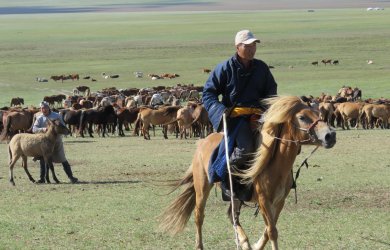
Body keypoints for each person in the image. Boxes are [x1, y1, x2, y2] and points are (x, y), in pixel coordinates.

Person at [202, 29, 277, 201]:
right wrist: (221, 112)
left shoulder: (261, 68)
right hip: (236, 118)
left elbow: (271, 93)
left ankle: (282, 182)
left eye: (254, 45)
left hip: (259, 117)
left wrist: (265, 113)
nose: (252, 49)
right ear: (238, 47)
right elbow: (208, 93)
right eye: (248, 46)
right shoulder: (225, 68)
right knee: (245, 150)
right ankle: (226, 176)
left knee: (280, 144)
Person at [32, 101, 79, 184]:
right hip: (45, 143)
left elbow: (63, 126)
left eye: (45, 108)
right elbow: (34, 129)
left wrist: (58, 124)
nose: (44, 110)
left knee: (62, 158)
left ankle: (71, 177)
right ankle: (42, 178)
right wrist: (42, 129)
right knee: (43, 160)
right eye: (42, 108)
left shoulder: (56, 115)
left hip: (56, 141)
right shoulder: (39, 118)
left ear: (48, 107)